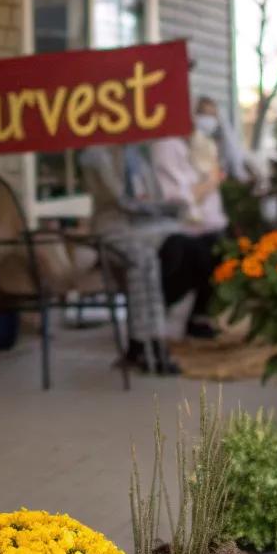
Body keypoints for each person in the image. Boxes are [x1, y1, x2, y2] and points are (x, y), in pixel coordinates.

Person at [78, 143, 187, 376]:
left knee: (154, 259)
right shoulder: (95, 153)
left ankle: (152, 342)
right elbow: (116, 197)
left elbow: (150, 194)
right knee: (142, 260)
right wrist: (154, 209)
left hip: (140, 228)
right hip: (112, 229)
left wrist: (165, 208)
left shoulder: (137, 153)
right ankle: (146, 346)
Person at [148, 98, 231, 340]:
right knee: (199, 257)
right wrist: (210, 183)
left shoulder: (199, 144)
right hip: (174, 229)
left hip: (202, 225)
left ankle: (199, 317)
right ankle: (173, 316)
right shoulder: (166, 145)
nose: (208, 121)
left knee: (219, 253)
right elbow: (178, 197)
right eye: (203, 114)